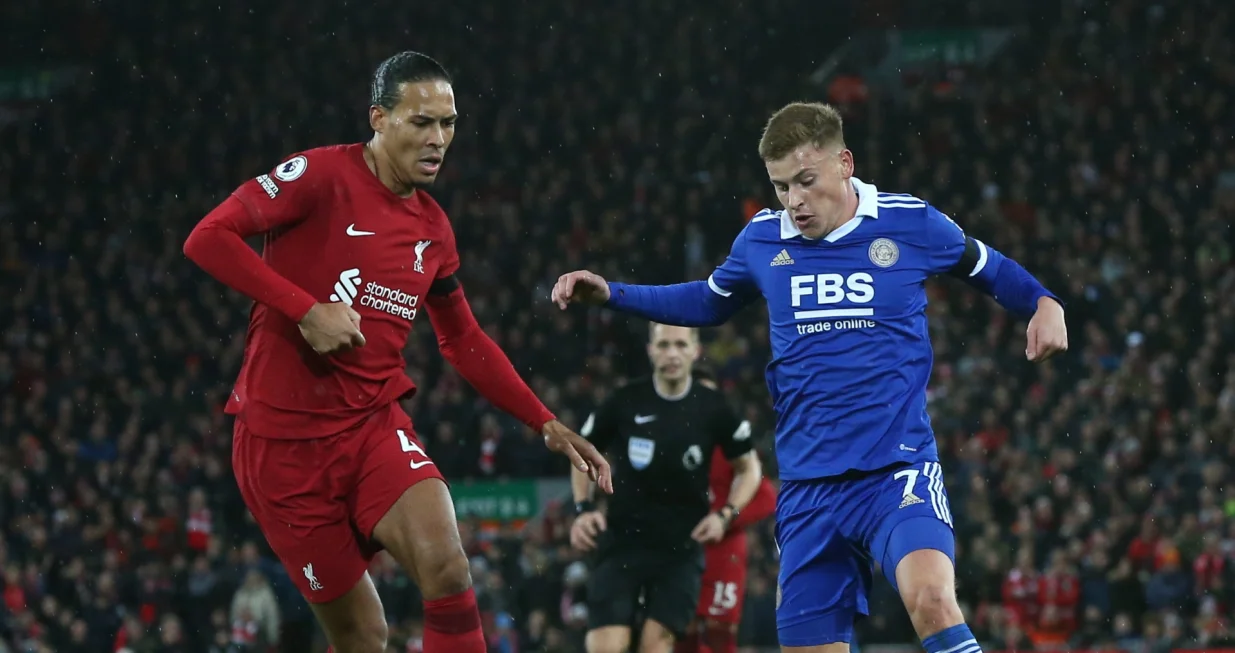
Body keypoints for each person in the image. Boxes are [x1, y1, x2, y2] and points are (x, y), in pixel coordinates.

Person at [551, 102, 1068, 653]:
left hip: (896, 472)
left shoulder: (909, 222)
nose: (794, 201)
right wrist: (613, 293)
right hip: (807, 489)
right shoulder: (762, 241)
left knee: (933, 602)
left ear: (844, 163)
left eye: (805, 181)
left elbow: (990, 269)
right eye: (780, 187)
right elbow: (707, 301)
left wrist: (1044, 302)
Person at [183, 51, 611, 653]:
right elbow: (207, 238)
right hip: (283, 450)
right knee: (364, 636)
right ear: (378, 119)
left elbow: (462, 339)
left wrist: (542, 420)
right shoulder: (319, 176)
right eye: (422, 122)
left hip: (371, 428)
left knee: (448, 568)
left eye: (450, 123)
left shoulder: (432, 228)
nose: (439, 140)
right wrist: (306, 309)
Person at [571, 323, 764, 653]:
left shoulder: (714, 407)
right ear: (650, 350)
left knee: (655, 645)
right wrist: (583, 509)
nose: (671, 353)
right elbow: (581, 449)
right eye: (663, 345)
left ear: (694, 349)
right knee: (607, 646)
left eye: (679, 345)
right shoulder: (625, 400)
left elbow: (750, 468)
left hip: (681, 550)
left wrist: (725, 515)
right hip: (622, 544)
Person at [676, 365, 778, 653]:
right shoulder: (666, 440)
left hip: (723, 551)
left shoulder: (732, 445)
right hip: (676, 550)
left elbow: (766, 497)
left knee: (720, 630)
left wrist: (725, 518)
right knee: (681, 628)